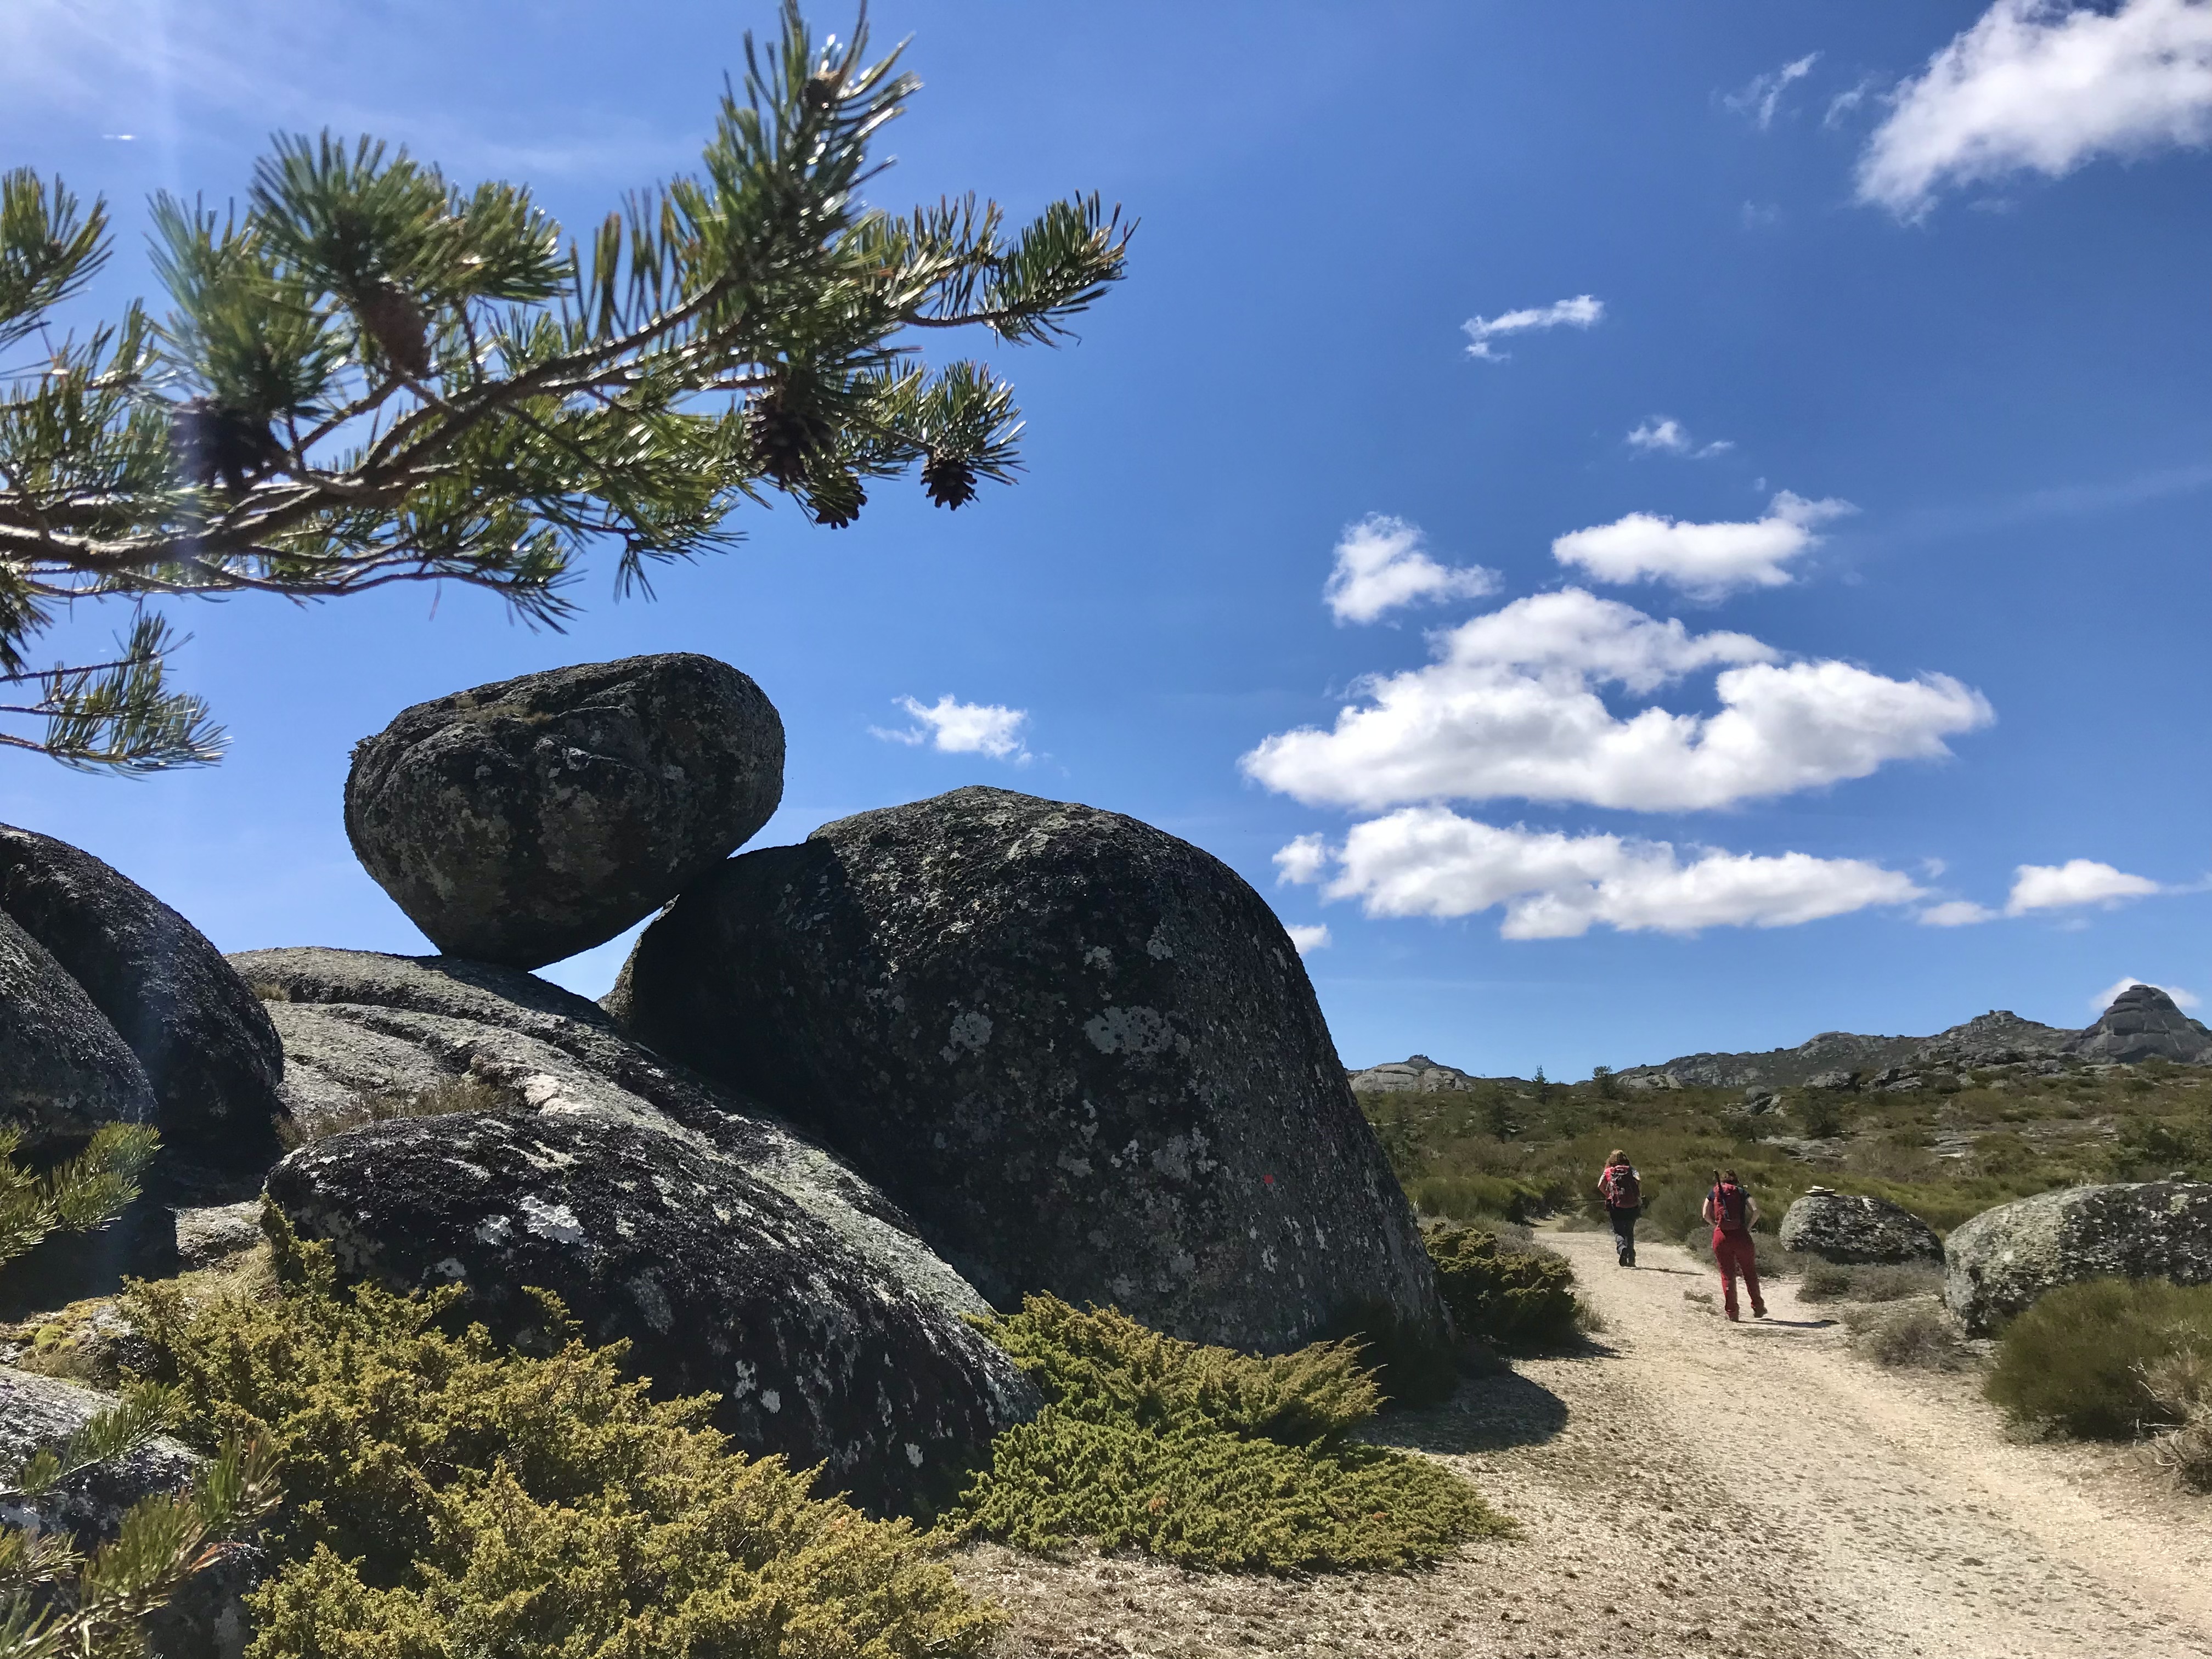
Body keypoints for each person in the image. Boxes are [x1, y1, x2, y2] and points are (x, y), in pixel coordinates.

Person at [1702, 1168, 1767, 1322]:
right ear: (1736, 1181)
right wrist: (1748, 1227)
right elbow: (1756, 1210)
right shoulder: (1742, 1192)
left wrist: (1715, 1226)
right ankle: (1757, 1306)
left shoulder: (1714, 1192)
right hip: (1741, 1235)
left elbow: (1705, 1214)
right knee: (1749, 1272)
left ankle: (1732, 1312)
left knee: (1727, 1275)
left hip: (1721, 1236)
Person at [1597, 1149, 1642, 1268]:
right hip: (1632, 1205)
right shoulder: (1631, 1169)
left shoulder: (1608, 1171)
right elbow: (1638, 1180)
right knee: (1629, 1231)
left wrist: (1609, 1195)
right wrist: (1635, 1194)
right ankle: (1631, 1259)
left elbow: (1600, 1186)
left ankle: (1622, 1249)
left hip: (1615, 1205)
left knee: (1618, 1231)